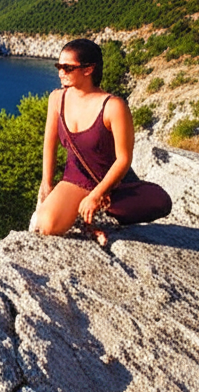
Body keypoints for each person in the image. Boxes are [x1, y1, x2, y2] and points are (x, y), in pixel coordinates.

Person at [30, 39, 171, 243]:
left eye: (67, 68)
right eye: (58, 66)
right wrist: (46, 183)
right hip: (75, 179)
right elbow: (49, 145)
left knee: (161, 201)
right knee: (46, 226)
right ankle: (85, 219)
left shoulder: (113, 106)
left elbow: (124, 159)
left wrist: (97, 194)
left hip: (111, 184)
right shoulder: (56, 99)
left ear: (88, 69)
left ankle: (98, 216)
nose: (60, 72)